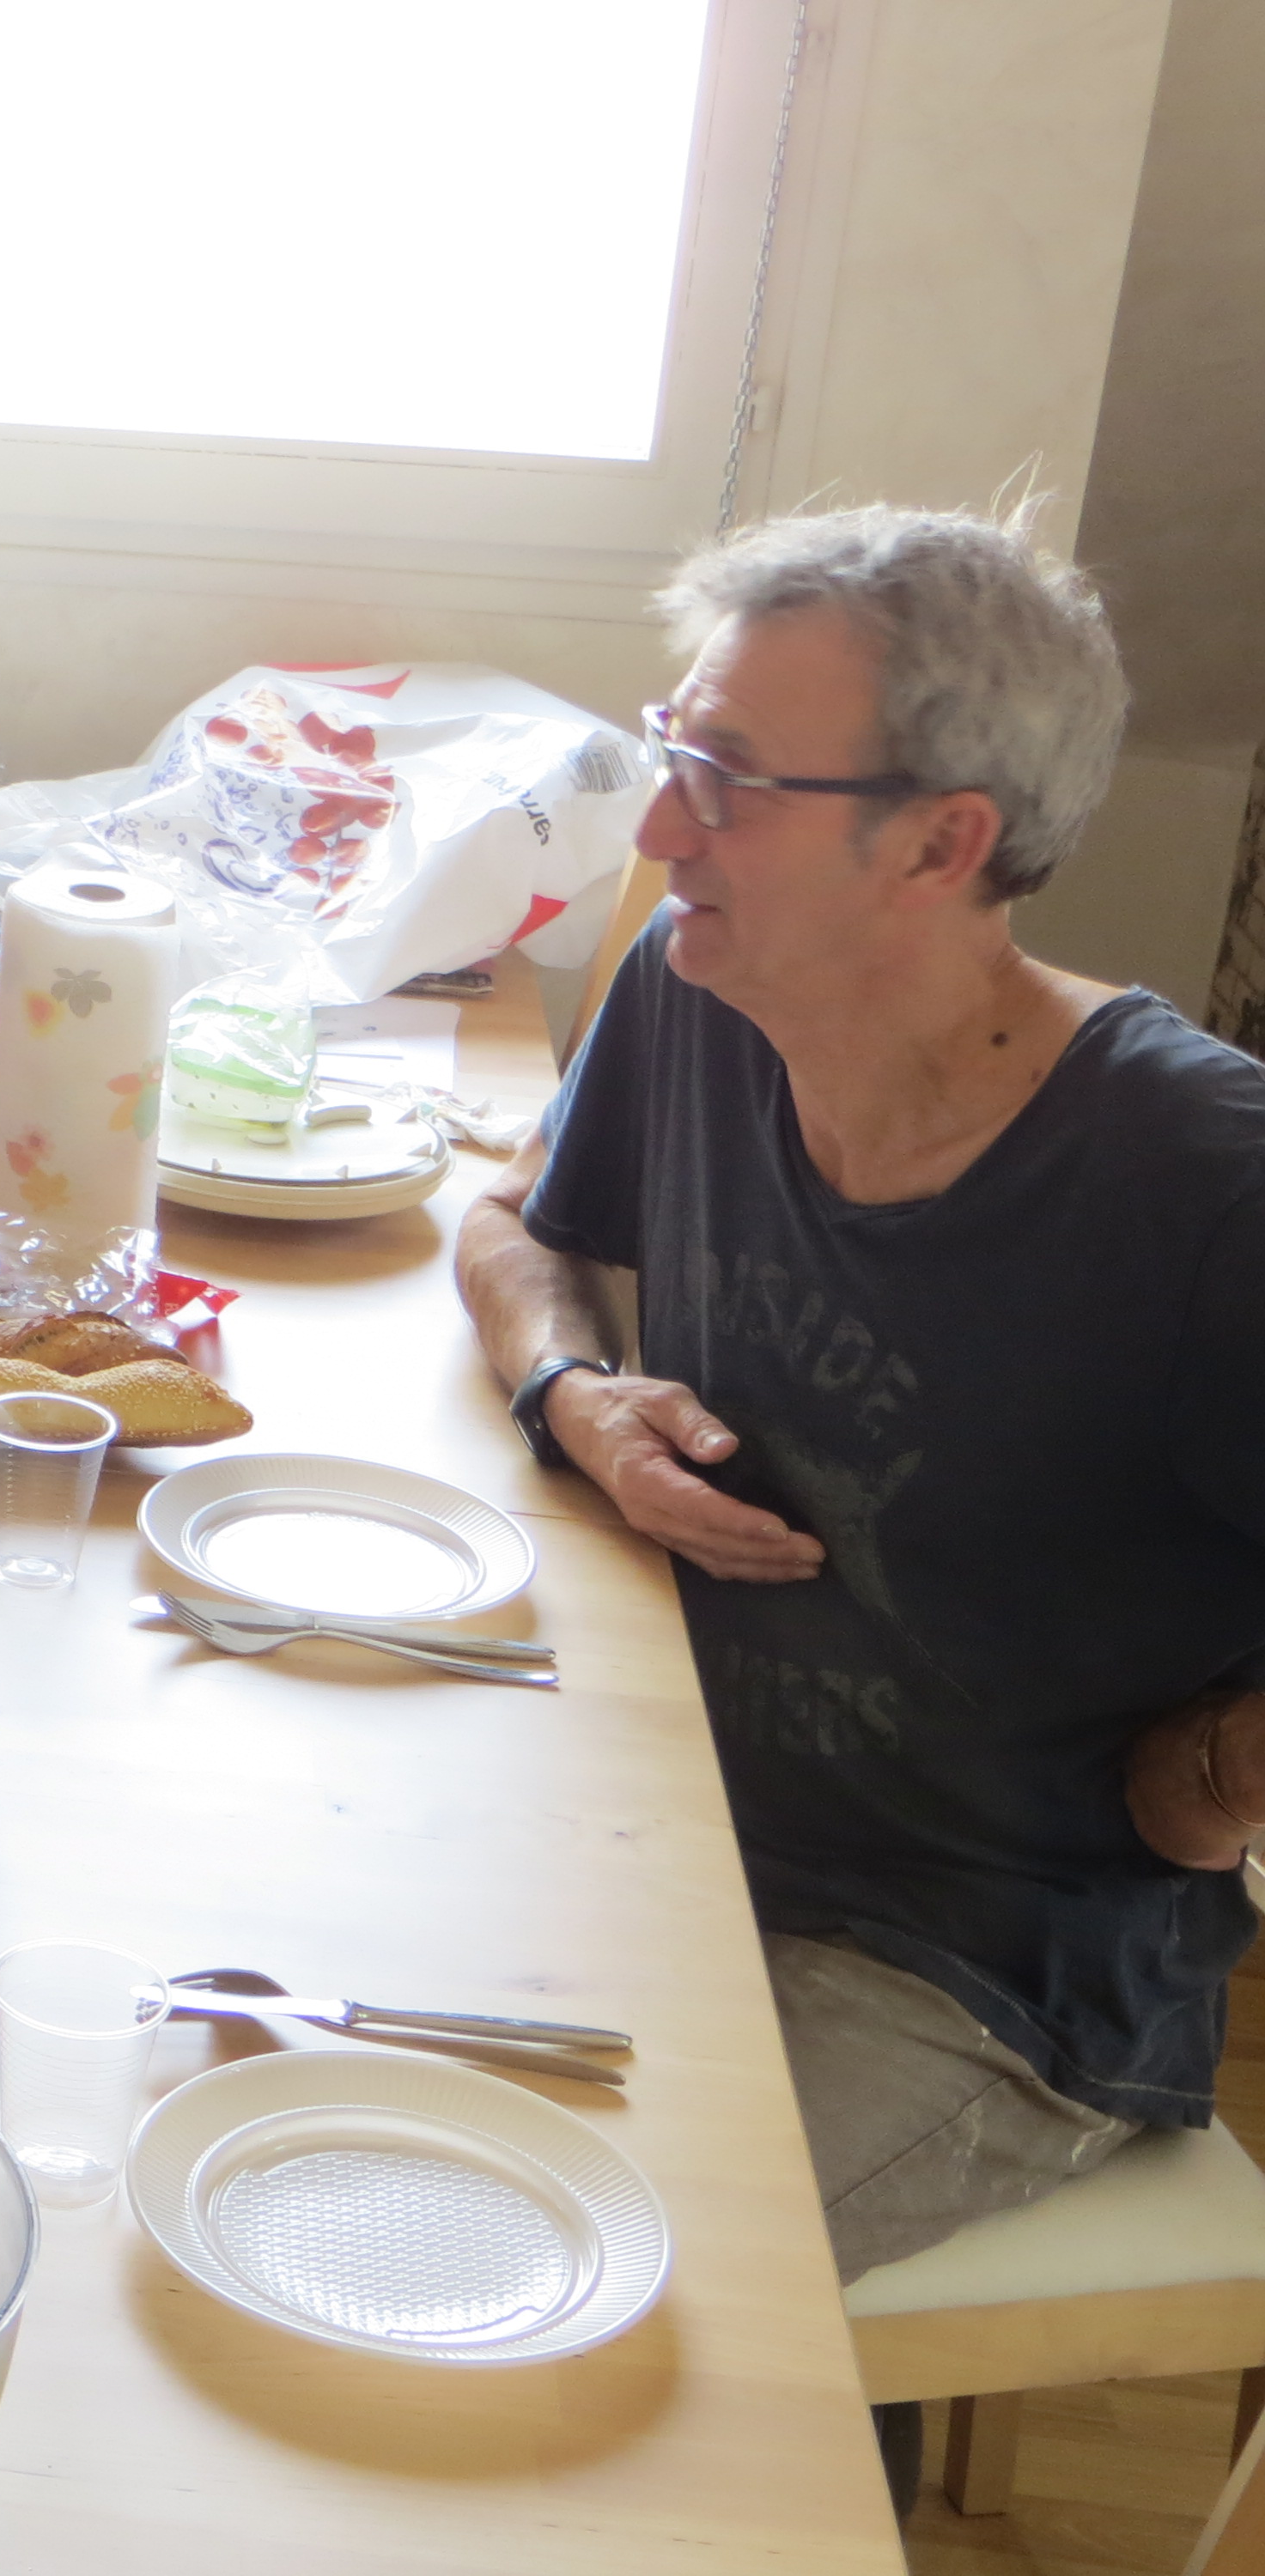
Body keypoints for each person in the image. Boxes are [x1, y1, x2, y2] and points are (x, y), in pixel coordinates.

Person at [460, 507, 1265, 2311]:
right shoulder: (705, 984)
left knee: (541, 2295)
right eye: (672, 751)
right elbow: (512, 1222)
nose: (660, 828)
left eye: (725, 779)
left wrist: (1216, 1780)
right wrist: (572, 1395)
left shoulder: (1206, 1183)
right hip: (664, 1805)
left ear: (940, 842)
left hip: (968, 1962)